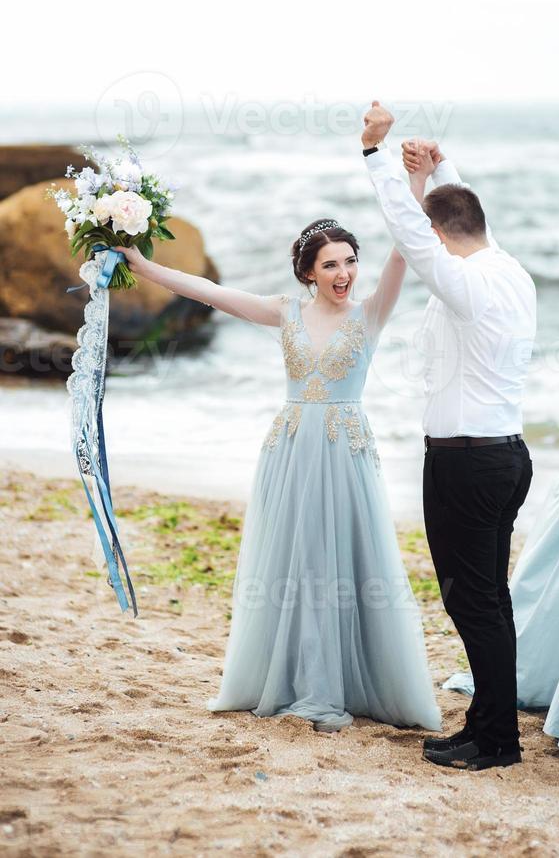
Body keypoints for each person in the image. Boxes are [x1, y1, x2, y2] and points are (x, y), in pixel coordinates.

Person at [116, 223, 441, 734]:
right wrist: (144, 265)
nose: (345, 273)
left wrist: (415, 187)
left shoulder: (370, 313)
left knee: (344, 559)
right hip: (289, 451)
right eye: (331, 264)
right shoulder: (285, 311)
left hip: (342, 451)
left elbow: (403, 253)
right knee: (295, 560)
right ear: (308, 271)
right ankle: (296, 676)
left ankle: (347, 682)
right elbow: (211, 293)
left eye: (351, 261)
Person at [360, 101, 537, 771]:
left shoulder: (463, 281)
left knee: (476, 606)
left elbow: (412, 230)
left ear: (442, 235)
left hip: (468, 466)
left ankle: (495, 741)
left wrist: (376, 157)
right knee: (489, 601)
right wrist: (437, 168)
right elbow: (454, 211)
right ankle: (491, 727)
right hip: (505, 458)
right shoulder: (508, 267)